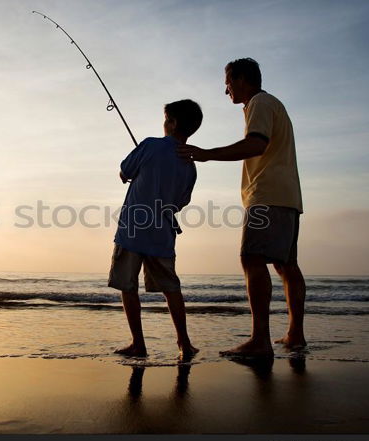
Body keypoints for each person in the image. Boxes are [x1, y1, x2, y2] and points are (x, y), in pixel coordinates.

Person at [177, 58, 306, 359]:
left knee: (251, 258)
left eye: (228, 83)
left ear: (242, 79)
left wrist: (207, 154)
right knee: (286, 265)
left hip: (267, 195)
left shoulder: (259, 102)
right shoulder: (274, 104)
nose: (226, 91)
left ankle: (260, 340)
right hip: (287, 196)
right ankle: (295, 335)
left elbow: (255, 145)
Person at [108, 99, 202, 360]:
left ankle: (138, 343)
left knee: (128, 286)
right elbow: (181, 202)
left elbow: (124, 171)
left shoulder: (150, 145)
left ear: (171, 123)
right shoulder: (190, 165)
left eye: (165, 119)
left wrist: (132, 175)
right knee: (171, 287)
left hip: (132, 230)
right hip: (162, 234)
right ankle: (184, 342)